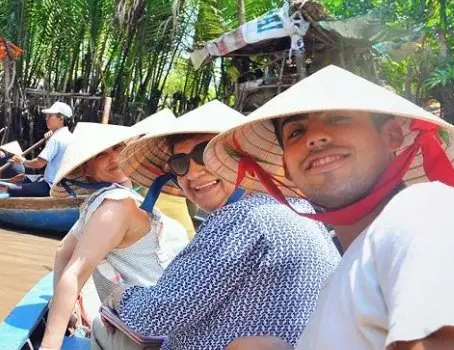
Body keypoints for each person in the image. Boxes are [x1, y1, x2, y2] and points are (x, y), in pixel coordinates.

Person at [206, 65, 454, 350]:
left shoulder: (426, 212)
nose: (315, 137)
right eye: (296, 132)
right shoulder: (343, 276)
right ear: (287, 168)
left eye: (338, 119)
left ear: (392, 136)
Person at [89, 101, 339, 350]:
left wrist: (118, 295)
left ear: (242, 160)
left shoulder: (242, 218)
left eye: (204, 155)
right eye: (180, 164)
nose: (193, 173)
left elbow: (153, 317)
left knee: (99, 326)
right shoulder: (301, 209)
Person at [40, 122, 189, 350]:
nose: (114, 158)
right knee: (100, 320)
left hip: (161, 331)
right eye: (101, 154)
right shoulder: (114, 204)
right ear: (85, 169)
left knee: (100, 321)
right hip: (163, 329)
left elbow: (63, 254)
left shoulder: (113, 202)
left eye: (118, 148)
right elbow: (72, 269)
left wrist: (62, 309)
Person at [129, 109, 197, 239]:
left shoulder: (138, 167)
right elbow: (193, 210)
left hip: (149, 232)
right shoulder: (183, 167)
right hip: (182, 231)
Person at [10, 101, 73, 197]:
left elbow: (39, 164)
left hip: (51, 186)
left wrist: (22, 161)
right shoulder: (69, 136)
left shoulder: (57, 138)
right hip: (58, 182)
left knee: (9, 189)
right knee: (22, 179)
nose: (46, 119)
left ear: (61, 118)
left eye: (50, 116)